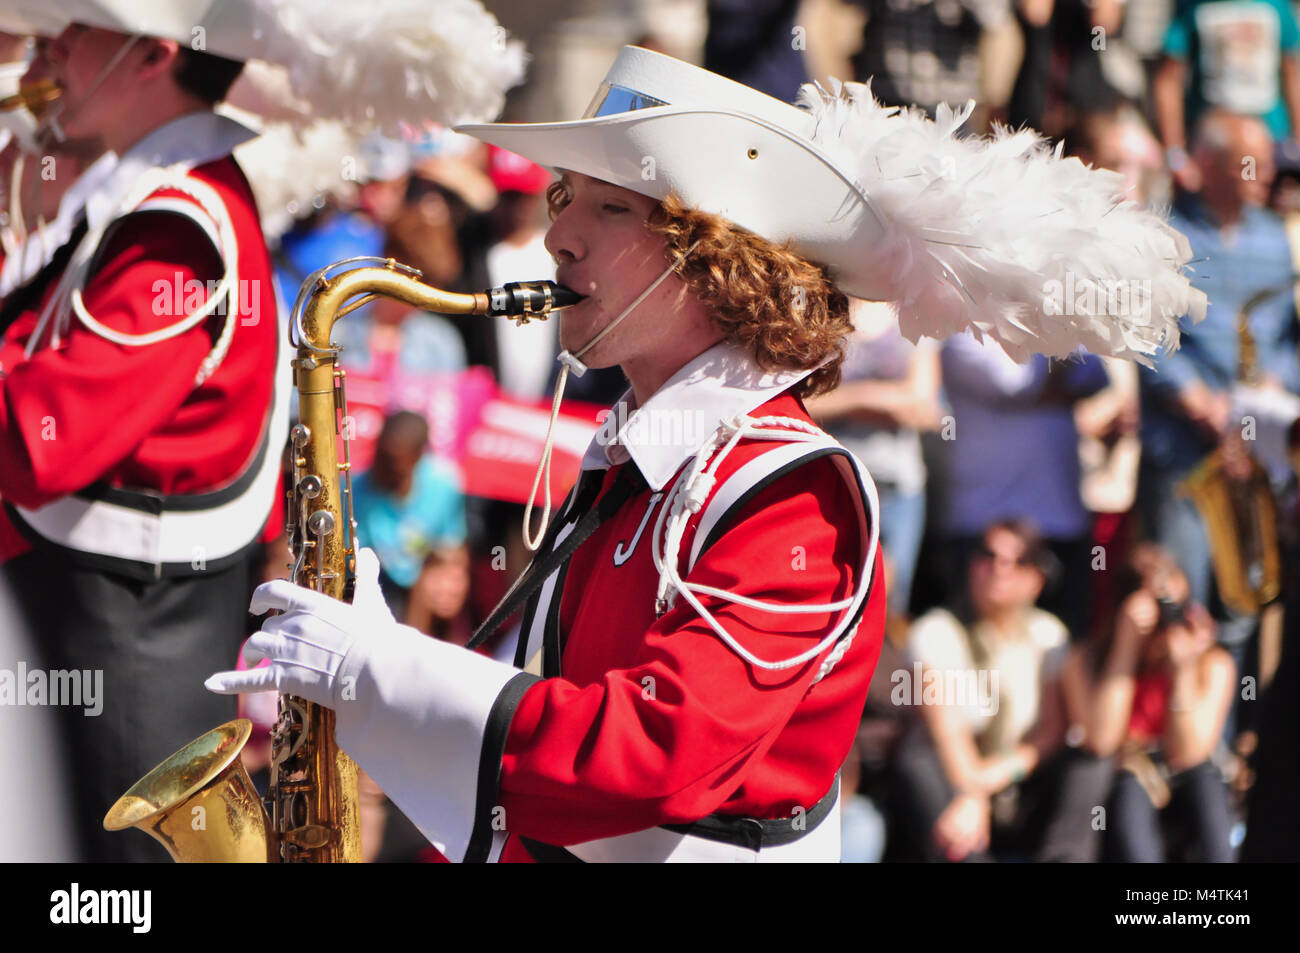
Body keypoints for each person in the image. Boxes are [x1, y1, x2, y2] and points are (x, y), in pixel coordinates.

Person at [208, 45, 1205, 863]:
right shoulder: (650, 454)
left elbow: (655, 754)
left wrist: (391, 674)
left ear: (719, 262)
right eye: (563, 198)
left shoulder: (791, 491)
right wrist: (379, 685)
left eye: (609, 208)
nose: (558, 237)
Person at [0, 0, 522, 864]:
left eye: (77, 26)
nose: (49, 46)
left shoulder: (175, 227)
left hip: (118, 650)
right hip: (102, 628)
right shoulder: (156, 196)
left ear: (150, 54)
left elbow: (36, 443)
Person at [890, 519, 1113, 861]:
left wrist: (995, 776)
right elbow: (947, 734)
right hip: (955, 782)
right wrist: (972, 793)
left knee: (1090, 762)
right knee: (916, 759)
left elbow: (1053, 732)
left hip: (1016, 783)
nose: (999, 569)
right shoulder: (935, 632)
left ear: (1037, 578)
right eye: (988, 555)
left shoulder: (1048, 635)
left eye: (1017, 561)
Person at [1061, 544, 1237, 861]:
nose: (1165, 621)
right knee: (1130, 805)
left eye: (1176, 607)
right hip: (1130, 771)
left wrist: (1183, 671)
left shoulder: (1213, 663)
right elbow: (1101, 742)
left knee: (1211, 805)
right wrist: (1126, 646)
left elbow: (1189, 755)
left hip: (1190, 773)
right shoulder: (1085, 660)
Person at [351, 411, 468, 624]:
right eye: (381, 456)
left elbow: (452, 546)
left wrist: (443, 575)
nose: (382, 467)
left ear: (418, 457)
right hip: (368, 578)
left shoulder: (444, 486)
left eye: (394, 462)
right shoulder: (352, 488)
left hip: (420, 581)